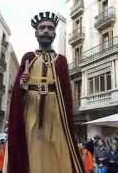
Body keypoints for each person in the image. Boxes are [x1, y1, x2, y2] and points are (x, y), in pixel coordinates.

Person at [7, 11, 84, 173]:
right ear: (36, 33)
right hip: (31, 111)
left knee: (57, 148)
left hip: (56, 113)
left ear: (55, 33)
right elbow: (17, 92)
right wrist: (23, 82)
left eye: (50, 28)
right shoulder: (28, 57)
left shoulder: (61, 60)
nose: (46, 31)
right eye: (42, 28)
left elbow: (66, 95)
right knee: (30, 147)